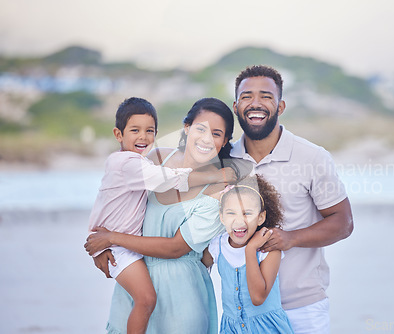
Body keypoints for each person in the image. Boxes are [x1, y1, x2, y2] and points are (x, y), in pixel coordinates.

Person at [85, 97, 237, 333]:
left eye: (216, 134)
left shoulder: (219, 192)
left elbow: (175, 248)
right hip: (135, 279)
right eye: (200, 129)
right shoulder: (156, 158)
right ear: (186, 128)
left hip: (181, 294)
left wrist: (112, 238)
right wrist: (100, 244)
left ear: (225, 140)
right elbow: (114, 198)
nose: (206, 138)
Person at [230, 65, 354, 333]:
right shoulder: (224, 159)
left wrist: (291, 238)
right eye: (246, 96)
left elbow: (343, 222)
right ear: (236, 105)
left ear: (281, 106)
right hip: (242, 310)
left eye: (266, 96)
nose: (255, 103)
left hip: (301, 309)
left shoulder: (311, 156)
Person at [203, 174, 294, 333]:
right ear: (221, 217)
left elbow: (258, 298)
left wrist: (250, 250)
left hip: (267, 329)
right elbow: (194, 267)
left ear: (261, 217)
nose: (239, 221)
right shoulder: (217, 246)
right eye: (231, 213)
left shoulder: (269, 250)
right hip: (231, 329)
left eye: (247, 213)